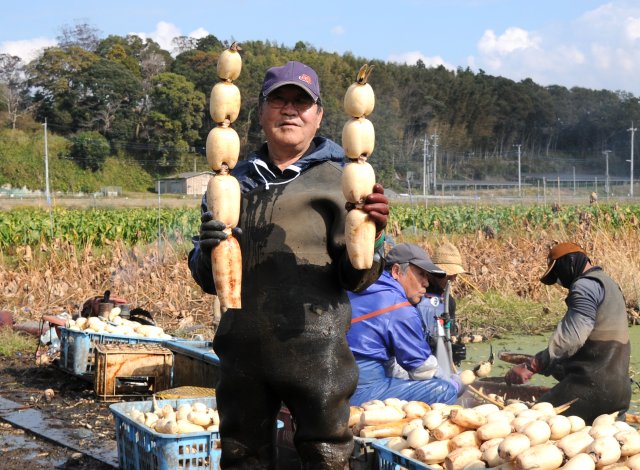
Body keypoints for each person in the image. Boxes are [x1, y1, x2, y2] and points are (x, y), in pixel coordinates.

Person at [188, 61, 389, 469]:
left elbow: (359, 278)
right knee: (243, 455)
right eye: (279, 100)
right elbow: (208, 280)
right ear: (260, 112)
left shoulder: (342, 179)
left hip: (317, 350)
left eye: (302, 102)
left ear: (318, 116)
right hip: (241, 350)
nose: (290, 110)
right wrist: (206, 250)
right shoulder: (231, 181)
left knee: (325, 453)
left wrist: (372, 233)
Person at [505, 242, 631, 423]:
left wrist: (532, 366)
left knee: (532, 422)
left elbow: (571, 339)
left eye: (557, 274)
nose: (559, 281)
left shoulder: (584, 287)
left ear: (570, 262)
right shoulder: (609, 284)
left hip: (589, 387)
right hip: (620, 392)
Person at [346, 243, 462, 406]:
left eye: (427, 277)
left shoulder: (363, 287)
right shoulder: (398, 306)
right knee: (444, 391)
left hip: (338, 380)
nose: (426, 283)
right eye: (421, 274)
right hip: (361, 389)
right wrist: (454, 381)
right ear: (396, 271)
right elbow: (422, 369)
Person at [417, 242, 468, 366]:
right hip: (416, 360)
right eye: (448, 275)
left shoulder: (449, 302)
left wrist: (455, 349)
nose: (453, 279)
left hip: (437, 363)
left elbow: (449, 334)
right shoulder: (416, 295)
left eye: (454, 275)